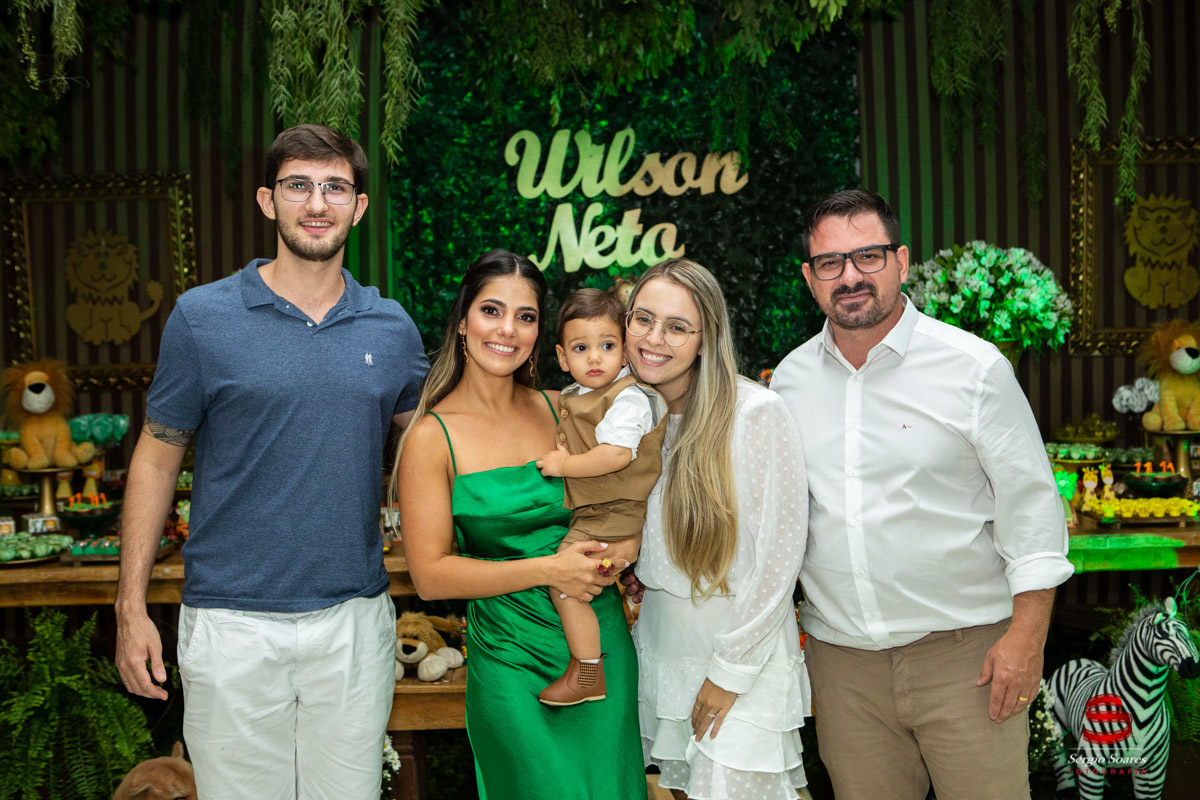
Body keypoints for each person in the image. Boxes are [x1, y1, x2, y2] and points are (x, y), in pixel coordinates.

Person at [115, 124, 429, 799]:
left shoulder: (392, 328)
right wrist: (129, 606)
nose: (316, 203)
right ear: (267, 200)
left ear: (359, 207)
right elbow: (156, 458)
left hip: (353, 619)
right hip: (231, 624)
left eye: (335, 187)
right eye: (298, 185)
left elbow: (439, 444)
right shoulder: (203, 318)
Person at [770, 189, 1073, 800]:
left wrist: (1026, 639)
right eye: (830, 262)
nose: (850, 276)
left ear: (901, 261)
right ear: (809, 277)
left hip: (968, 659)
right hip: (843, 667)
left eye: (868, 256)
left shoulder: (974, 368)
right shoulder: (788, 382)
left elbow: (1034, 511)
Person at [391, 250, 647, 800]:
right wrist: (550, 569)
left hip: (601, 648)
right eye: (492, 310)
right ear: (463, 322)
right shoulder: (431, 437)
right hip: (510, 660)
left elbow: (635, 490)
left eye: (525, 316)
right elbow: (430, 576)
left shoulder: (566, 410)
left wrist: (624, 550)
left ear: (539, 334)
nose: (507, 329)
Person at [623, 259, 811, 800]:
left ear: (707, 338)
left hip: (739, 661)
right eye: (643, 319)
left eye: (677, 327)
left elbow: (779, 561)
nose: (654, 339)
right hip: (662, 650)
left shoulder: (755, 413)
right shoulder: (631, 417)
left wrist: (729, 674)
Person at [534, 288, 667, 706]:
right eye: (581, 348)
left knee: (566, 583)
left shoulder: (628, 398)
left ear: (625, 351)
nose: (595, 358)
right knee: (579, 580)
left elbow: (616, 455)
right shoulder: (574, 396)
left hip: (615, 512)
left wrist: (564, 465)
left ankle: (588, 671)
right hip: (598, 512)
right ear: (562, 357)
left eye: (607, 346)